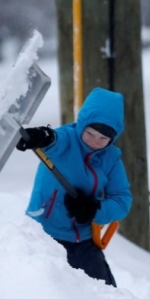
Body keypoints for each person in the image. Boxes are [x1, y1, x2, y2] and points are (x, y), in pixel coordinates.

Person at [15, 87, 132, 287]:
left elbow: (122, 200)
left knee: (107, 297)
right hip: (45, 235)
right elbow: (53, 140)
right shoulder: (68, 139)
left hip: (84, 241)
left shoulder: (111, 158)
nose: (96, 142)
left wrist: (95, 209)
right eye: (90, 133)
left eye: (103, 138)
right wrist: (42, 136)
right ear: (82, 125)